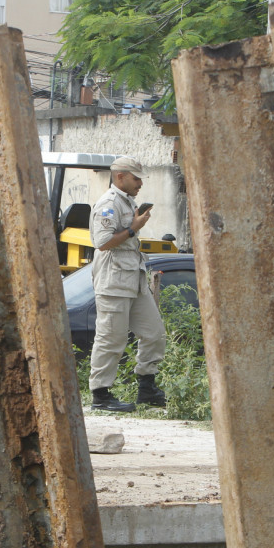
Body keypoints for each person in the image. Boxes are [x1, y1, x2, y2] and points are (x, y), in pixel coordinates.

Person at [86, 156, 167, 412]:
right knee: (111, 337)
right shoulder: (108, 204)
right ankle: (100, 394)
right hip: (113, 278)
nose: (140, 183)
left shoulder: (126, 201)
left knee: (154, 333)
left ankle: (147, 387)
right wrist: (133, 228)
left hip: (134, 276)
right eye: (136, 178)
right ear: (120, 177)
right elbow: (102, 242)